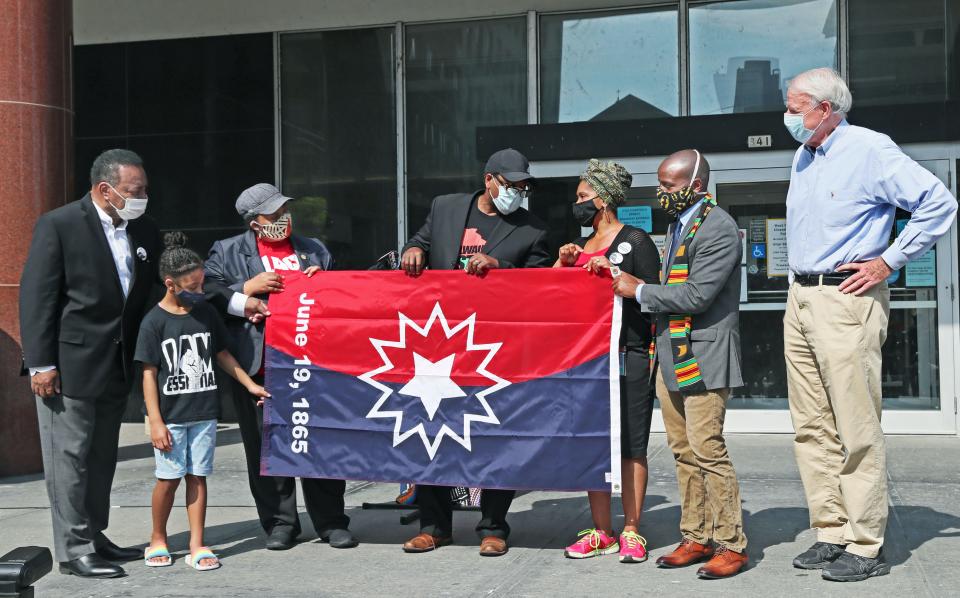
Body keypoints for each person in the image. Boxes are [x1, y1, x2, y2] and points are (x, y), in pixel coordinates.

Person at [781, 68, 957, 582]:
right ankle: (831, 532)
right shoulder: (804, 154)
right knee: (811, 427)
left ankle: (865, 543)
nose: (788, 117)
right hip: (800, 296)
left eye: (796, 108)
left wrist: (889, 261)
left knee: (855, 425)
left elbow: (939, 204)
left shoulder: (870, 149)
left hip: (845, 299)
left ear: (827, 109)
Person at [399, 148, 551, 556]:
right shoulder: (446, 208)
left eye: (523, 185)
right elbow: (421, 243)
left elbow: (542, 286)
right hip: (439, 344)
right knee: (432, 433)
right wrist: (412, 249)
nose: (517, 191)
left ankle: (493, 527)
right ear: (489, 180)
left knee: (496, 436)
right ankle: (434, 526)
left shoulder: (532, 229)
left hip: (495, 348)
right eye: (510, 184)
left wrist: (501, 266)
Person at [19, 149, 162, 578]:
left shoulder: (144, 230)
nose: (141, 198)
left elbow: (157, 287)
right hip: (69, 366)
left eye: (144, 190)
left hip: (116, 364)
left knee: (101, 459)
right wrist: (41, 363)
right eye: (134, 191)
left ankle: (94, 535)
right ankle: (73, 549)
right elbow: (37, 297)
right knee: (69, 460)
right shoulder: (59, 225)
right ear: (105, 189)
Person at [611, 149, 749, 579]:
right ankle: (696, 535)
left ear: (696, 185)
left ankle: (732, 544)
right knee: (683, 452)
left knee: (708, 450)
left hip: (704, 356)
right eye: (661, 184)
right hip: (674, 353)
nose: (661, 193)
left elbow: (696, 295)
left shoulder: (720, 228)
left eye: (669, 186)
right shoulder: (679, 225)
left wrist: (639, 291)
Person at [203, 183, 356, 551]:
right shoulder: (226, 252)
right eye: (273, 214)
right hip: (259, 365)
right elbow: (205, 292)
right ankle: (280, 523)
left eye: (284, 210)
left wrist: (326, 285)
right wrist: (246, 290)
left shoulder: (314, 249)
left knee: (320, 439)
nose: (282, 219)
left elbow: (344, 296)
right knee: (265, 445)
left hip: (311, 362)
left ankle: (331, 521)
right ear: (254, 223)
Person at [136, 233, 271, 571]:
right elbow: (149, 374)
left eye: (201, 285)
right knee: (168, 479)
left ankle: (197, 543)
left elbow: (223, 354)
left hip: (204, 413)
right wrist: (155, 420)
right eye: (192, 287)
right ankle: (158, 537)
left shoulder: (206, 313)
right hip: (170, 416)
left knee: (198, 476)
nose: (200, 292)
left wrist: (249, 384)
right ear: (170, 284)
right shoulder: (153, 322)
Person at [554, 159, 660, 563]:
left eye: (583, 197)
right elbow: (553, 300)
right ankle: (602, 530)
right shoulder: (580, 246)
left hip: (628, 355)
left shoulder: (636, 241)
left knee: (632, 443)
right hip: (588, 361)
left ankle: (631, 529)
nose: (577, 204)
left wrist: (614, 273)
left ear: (603, 198)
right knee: (593, 443)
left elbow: (654, 296)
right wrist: (564, 265)